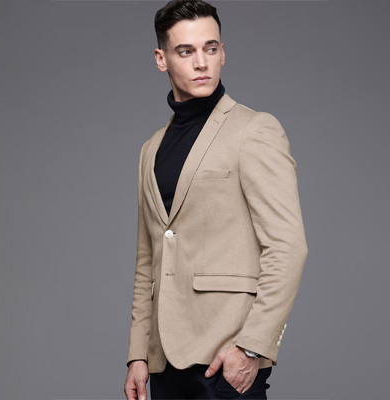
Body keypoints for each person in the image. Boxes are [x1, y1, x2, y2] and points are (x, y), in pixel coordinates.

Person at [124, 1, 308, 399]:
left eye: (210, 48)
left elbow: (288, 247)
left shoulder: (254, 130)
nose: (201, 62)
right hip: (164, 361)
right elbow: (147, 260)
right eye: (185, 51)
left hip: (226, 359)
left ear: (223, 52)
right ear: (161, 59)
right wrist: (138, 353)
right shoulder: (150, 150)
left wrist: (252, 347)